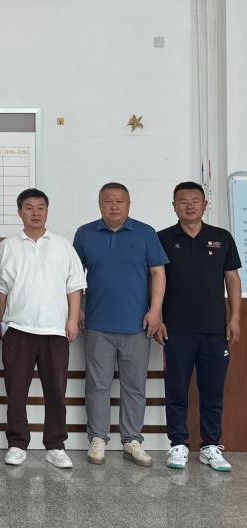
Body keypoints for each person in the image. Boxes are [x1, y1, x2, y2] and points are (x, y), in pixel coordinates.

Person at [74, 182, 167, 467]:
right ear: (99, 204)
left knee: (134, 386)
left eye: (120, 201)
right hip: (97, 325)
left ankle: (132, 440)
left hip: (137, 325)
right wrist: (78, 310)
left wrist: (155, 311)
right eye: (108, 201)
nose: (114, 206)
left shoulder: (146, 233)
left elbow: (158, 273)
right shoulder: (85, 234)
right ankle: (98, 438)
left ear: (128, 204)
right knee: (97, 386)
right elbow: (74, 277)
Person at [0, 188, 85, 468]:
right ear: (19, 212)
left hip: (54, 330)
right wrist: (1, 322)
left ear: (47, 211)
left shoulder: (62, 245)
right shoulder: (8, 246)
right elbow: (1, 288)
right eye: (29, 207)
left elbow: (74, 286)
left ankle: (55, 445)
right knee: (16, 391)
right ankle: (17, 443)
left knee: (56, 392)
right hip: (18, 329)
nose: (35, 213)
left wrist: (72, 320)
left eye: (41, 207)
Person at [158, 181, 242, 472]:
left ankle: (210, 446)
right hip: (176, 329)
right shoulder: (162, 238)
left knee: (212, 391)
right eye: (183, 201)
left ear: (205, 204)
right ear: (174, 206)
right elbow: (154, 280)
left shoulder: (221, 237)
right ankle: (178, 444)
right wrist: (157, 317)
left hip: (214, 330)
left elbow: (232, 279)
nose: (190, 206)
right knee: (176, 391)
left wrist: (234, 318)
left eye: (195, 200)